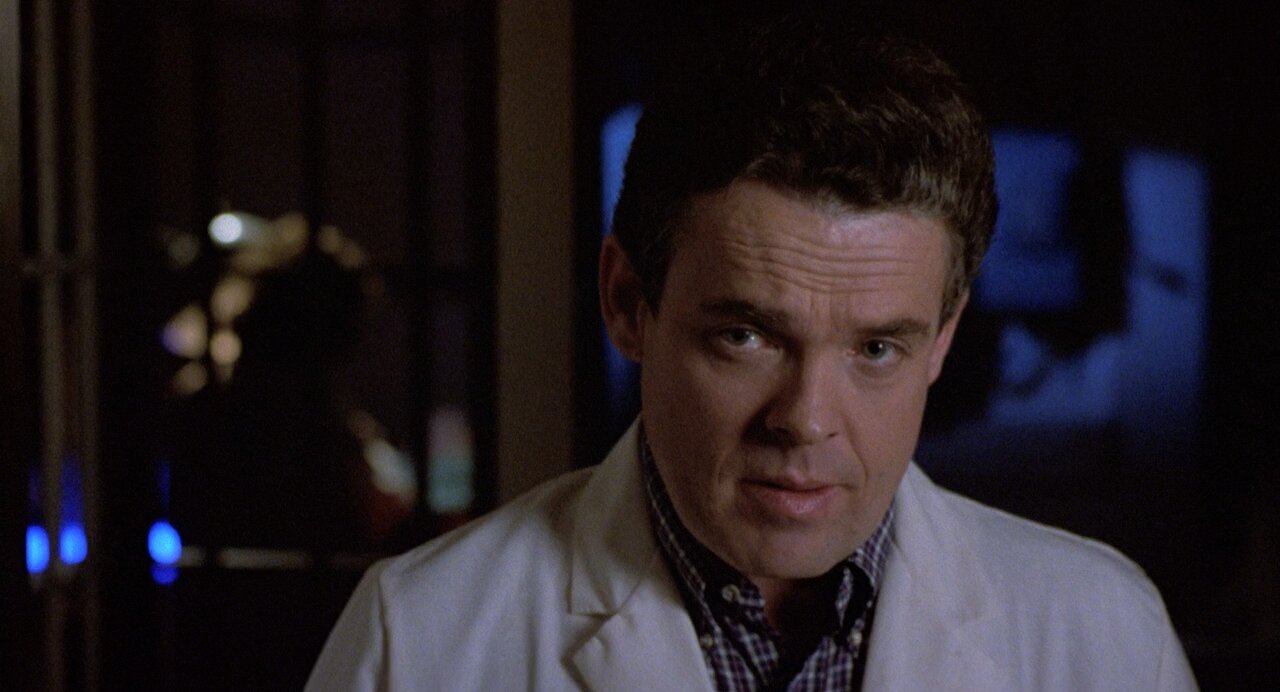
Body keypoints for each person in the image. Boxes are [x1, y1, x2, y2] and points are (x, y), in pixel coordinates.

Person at [306, 12, 1197, 691]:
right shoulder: (419, 640)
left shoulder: (1103, 635)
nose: (805, 420)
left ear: (944, 339)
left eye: (876, 348)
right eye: (746, 336)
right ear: (628, 304)